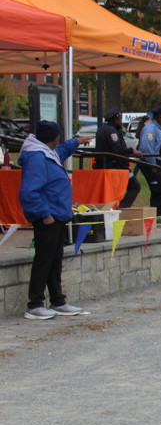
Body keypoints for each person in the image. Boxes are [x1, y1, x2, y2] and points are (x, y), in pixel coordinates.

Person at [18, 121, 84, 319]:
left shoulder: (47, 152)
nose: (59, 139)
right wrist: (44, 214)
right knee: (44, 260)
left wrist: (76, 142)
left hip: (58, 215)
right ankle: (35, 304)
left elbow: (61, 151)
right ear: (53, 138)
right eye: (58, 136)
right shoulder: (37, 157)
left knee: (54, 261)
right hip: (49, 217)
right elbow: (29, 192)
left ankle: (57, 300)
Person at [93, 107, 141, 208]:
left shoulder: (102, 129)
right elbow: (117, 150)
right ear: (115, 118)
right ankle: (122, 209)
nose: (120, 121)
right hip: (115, 166)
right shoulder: (111, 131)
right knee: (135, 187)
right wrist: (131, 151)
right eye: (119, 119)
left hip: (106, 166)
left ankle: (118, 209)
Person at [137, 103, 161, 216]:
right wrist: (153, 165)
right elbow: (146, 148)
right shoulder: (150, 128)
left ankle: (160, 213)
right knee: (158, 190)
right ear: (160, 116)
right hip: (151, 163)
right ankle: (158, 215)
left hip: (160, 162)